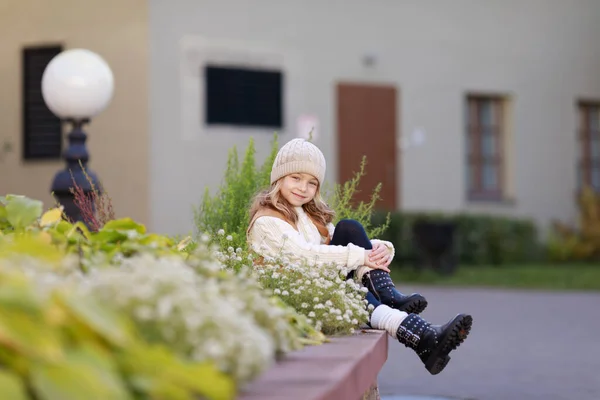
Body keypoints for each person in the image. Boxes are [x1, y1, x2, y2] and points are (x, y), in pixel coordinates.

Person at [246, 138, 472, 375]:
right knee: (349, 288)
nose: (303, 188)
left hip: (317, 286)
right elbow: (304, 256)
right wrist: (361, 256)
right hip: (292, 297)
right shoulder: (267, 220)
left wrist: (382, 249)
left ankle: (392, 300)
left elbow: (342, 245)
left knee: (349, 228)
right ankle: (423, 336)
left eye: (312, 183)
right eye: (296, 178)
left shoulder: (308, 215)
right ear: (279, 179)